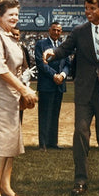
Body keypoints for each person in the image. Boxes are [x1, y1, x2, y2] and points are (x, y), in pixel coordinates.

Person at [43, 0, 99, 195]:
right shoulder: (79, 31)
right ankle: (80, 180)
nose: (88, 12)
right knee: (81, 135)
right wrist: (52, 53)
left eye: (92, 8)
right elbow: (64, 50)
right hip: (85, 92)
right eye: (86, 8)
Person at [0, 0, 38, 196]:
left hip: (13, 93)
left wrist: (24, 87)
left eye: (17, 14)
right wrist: (23, 89)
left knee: (11, 140)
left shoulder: (11, 36)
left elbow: (20, 67)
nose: (15, 18)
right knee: (2, 141)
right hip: (0, 93)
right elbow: (0, 69)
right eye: (10, 15)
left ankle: (6, 185)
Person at [35, 22, 71, 150]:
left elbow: (67, 64)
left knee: (55, 114)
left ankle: (52, 142)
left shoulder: (63, 46)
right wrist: (54, 75)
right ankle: (43, 143)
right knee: (44, 114)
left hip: (59, 84)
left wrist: (62, 75)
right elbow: (41, 63)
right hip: (47, 84)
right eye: (54, 30)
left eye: (59, 30)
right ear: (49, 30)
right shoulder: (41, 44)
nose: (56, 32)